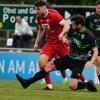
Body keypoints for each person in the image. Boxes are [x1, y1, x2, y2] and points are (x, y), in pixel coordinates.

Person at [16, 14, 98, 92]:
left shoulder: (89, 36)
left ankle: (87, 84)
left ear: (79, 25)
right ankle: (27, 82)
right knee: (48, 67)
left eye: (73, 25)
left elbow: (95, 51)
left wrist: (91, 62)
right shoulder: (73, 30)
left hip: (79, 62)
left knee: (72, 86)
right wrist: (65, 40)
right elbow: (70, 41)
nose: (71, 26)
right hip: (69, 57)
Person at [33, 0, 70, 90]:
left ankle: (84, 81)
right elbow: (41, 30)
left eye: (38, 9)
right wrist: (36, 43)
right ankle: (49, 85)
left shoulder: (54, 15)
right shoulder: (39, 18)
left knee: (71, 63)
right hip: (50, 43)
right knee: (41, 62)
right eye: (36, 9)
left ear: (45, 8)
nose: (36, 11)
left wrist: (61, 34)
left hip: (60, 43)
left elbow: (67, 25)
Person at [85, 0, 100, 82]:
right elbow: (84, 30)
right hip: (94, 43)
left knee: (99, 64)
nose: (99, 10)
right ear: (95, 8)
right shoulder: (89, 18)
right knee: (99, 63)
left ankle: (88, 59)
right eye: (98, 8)